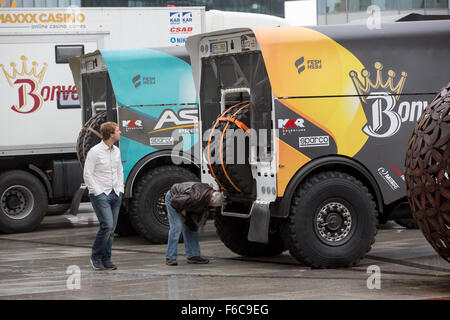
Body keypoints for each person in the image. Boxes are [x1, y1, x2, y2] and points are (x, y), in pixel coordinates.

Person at [83, 121, 124, 271]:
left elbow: (120, 170)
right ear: (111, 134)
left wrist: (120, 189)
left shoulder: (117, 151)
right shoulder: (95, 151)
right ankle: (95, 257)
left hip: (115, 193)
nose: (120, 132)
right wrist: (97, 192)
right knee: (106, 226)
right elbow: (87, 174)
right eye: (118, 130)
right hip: (101, 194)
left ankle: (107, 259)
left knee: (111, 229)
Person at [165, 182, 226, 266]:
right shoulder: (197, 197)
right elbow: (175, 201)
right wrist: (184, 212)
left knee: (192, 227)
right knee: (177, 227)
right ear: (211, 201)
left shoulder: (209, 195)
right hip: (174, 198)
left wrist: (193, 220)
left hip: (185, 201)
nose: (212, 206)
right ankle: (170, 257)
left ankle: (193, 256)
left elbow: (199, 209)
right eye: (212, 205)